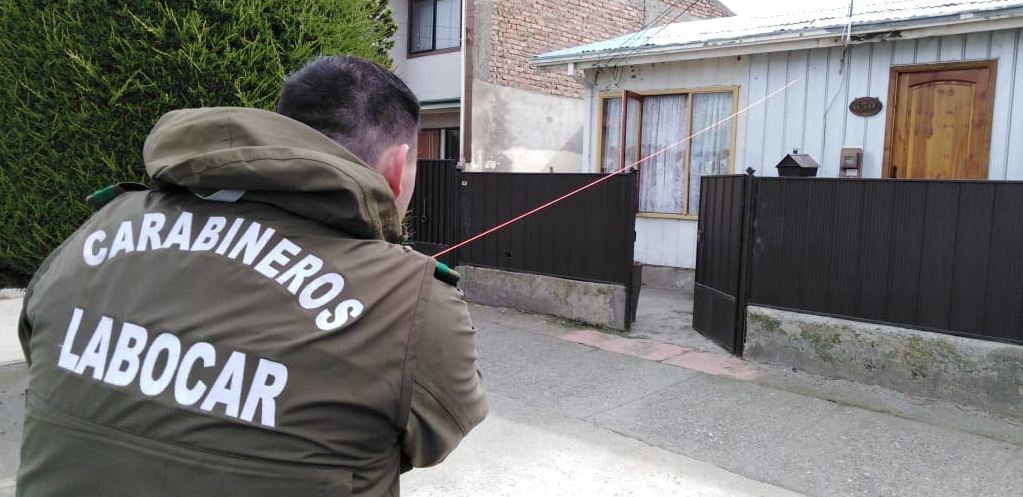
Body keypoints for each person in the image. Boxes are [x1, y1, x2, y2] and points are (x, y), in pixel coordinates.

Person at [16, 55, 488, 496]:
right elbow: (431, 439)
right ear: (397, 168)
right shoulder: (413, 303)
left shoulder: (100, 228)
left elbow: (40, 347)